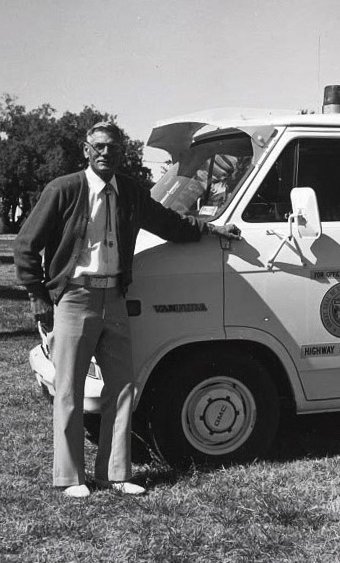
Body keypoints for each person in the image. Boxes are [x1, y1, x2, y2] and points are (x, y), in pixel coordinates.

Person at [14, 121, 241, 498]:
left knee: (121, 388)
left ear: (121, 152)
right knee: (69, 388)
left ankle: (115, 473)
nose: (106, 154)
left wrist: (208, 229)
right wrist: (38, 295)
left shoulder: (131, 191)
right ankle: (71, 477)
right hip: (75, 298)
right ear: (86, 150)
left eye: (114, 148)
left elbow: (168, 222)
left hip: (115, 298)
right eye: (99, 147)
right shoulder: (64, 189)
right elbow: (25, 245)